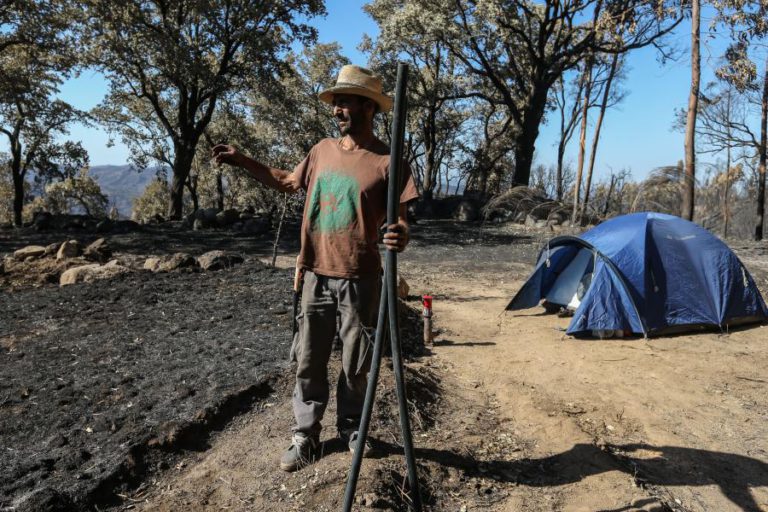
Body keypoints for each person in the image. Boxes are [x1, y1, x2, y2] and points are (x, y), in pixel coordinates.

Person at [212, 64, 419, 472]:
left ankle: (352, 429)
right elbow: (287, 182)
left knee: (356, 362)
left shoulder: (388, 160)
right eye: (336, 102)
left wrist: (401, 234)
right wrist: (243, 161)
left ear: (368, 107)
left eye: (345, 102)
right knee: (309, 358)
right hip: (314, 274)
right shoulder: (321, 151)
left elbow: (402, 220)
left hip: (361, 277)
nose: (337, 110)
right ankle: (305, 434)